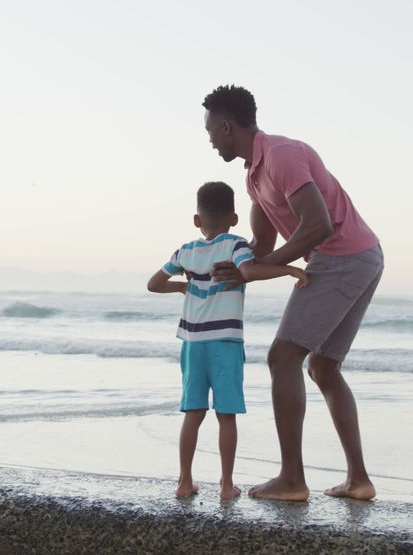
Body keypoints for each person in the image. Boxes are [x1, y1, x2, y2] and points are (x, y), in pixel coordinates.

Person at [202, 85, 384, 501]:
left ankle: (292, 479)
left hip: (342, 256)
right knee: (323, 367)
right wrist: (231, 261)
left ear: (227, 126)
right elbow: (261, 246)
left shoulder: (281, 155)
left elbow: (317, 225)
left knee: (282, 357)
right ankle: (359, 480)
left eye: (211, 130)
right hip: (361, 256)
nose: (210, 139)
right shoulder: (254, 176)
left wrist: (272, 267)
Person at [148, 181, 309, 500]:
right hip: (225, 343)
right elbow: (249, 272)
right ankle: (225, 485)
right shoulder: (237, 246)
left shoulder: (185, 251)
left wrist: (181, 288)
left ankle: (184, 482)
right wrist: (290, 270)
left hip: (193, 344)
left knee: (192, 414)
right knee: (226, 415)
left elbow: (154, 284)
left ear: (197, 220)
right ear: (235, 219)